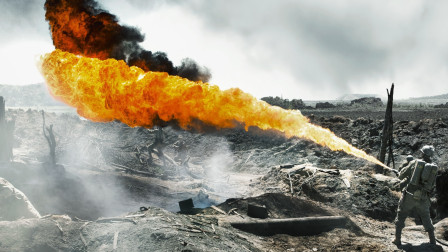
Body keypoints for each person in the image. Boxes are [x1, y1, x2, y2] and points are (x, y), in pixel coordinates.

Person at [393, 145, 438, 246]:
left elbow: (401, 175)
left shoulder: (414, 163)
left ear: (422, 153)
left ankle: (397, 239)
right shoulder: (433, 168)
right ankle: (432, 240)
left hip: (409, 195)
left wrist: (398, 173)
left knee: (401, 214)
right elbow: (432, 184)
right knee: (426, 217)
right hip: (423, 197)